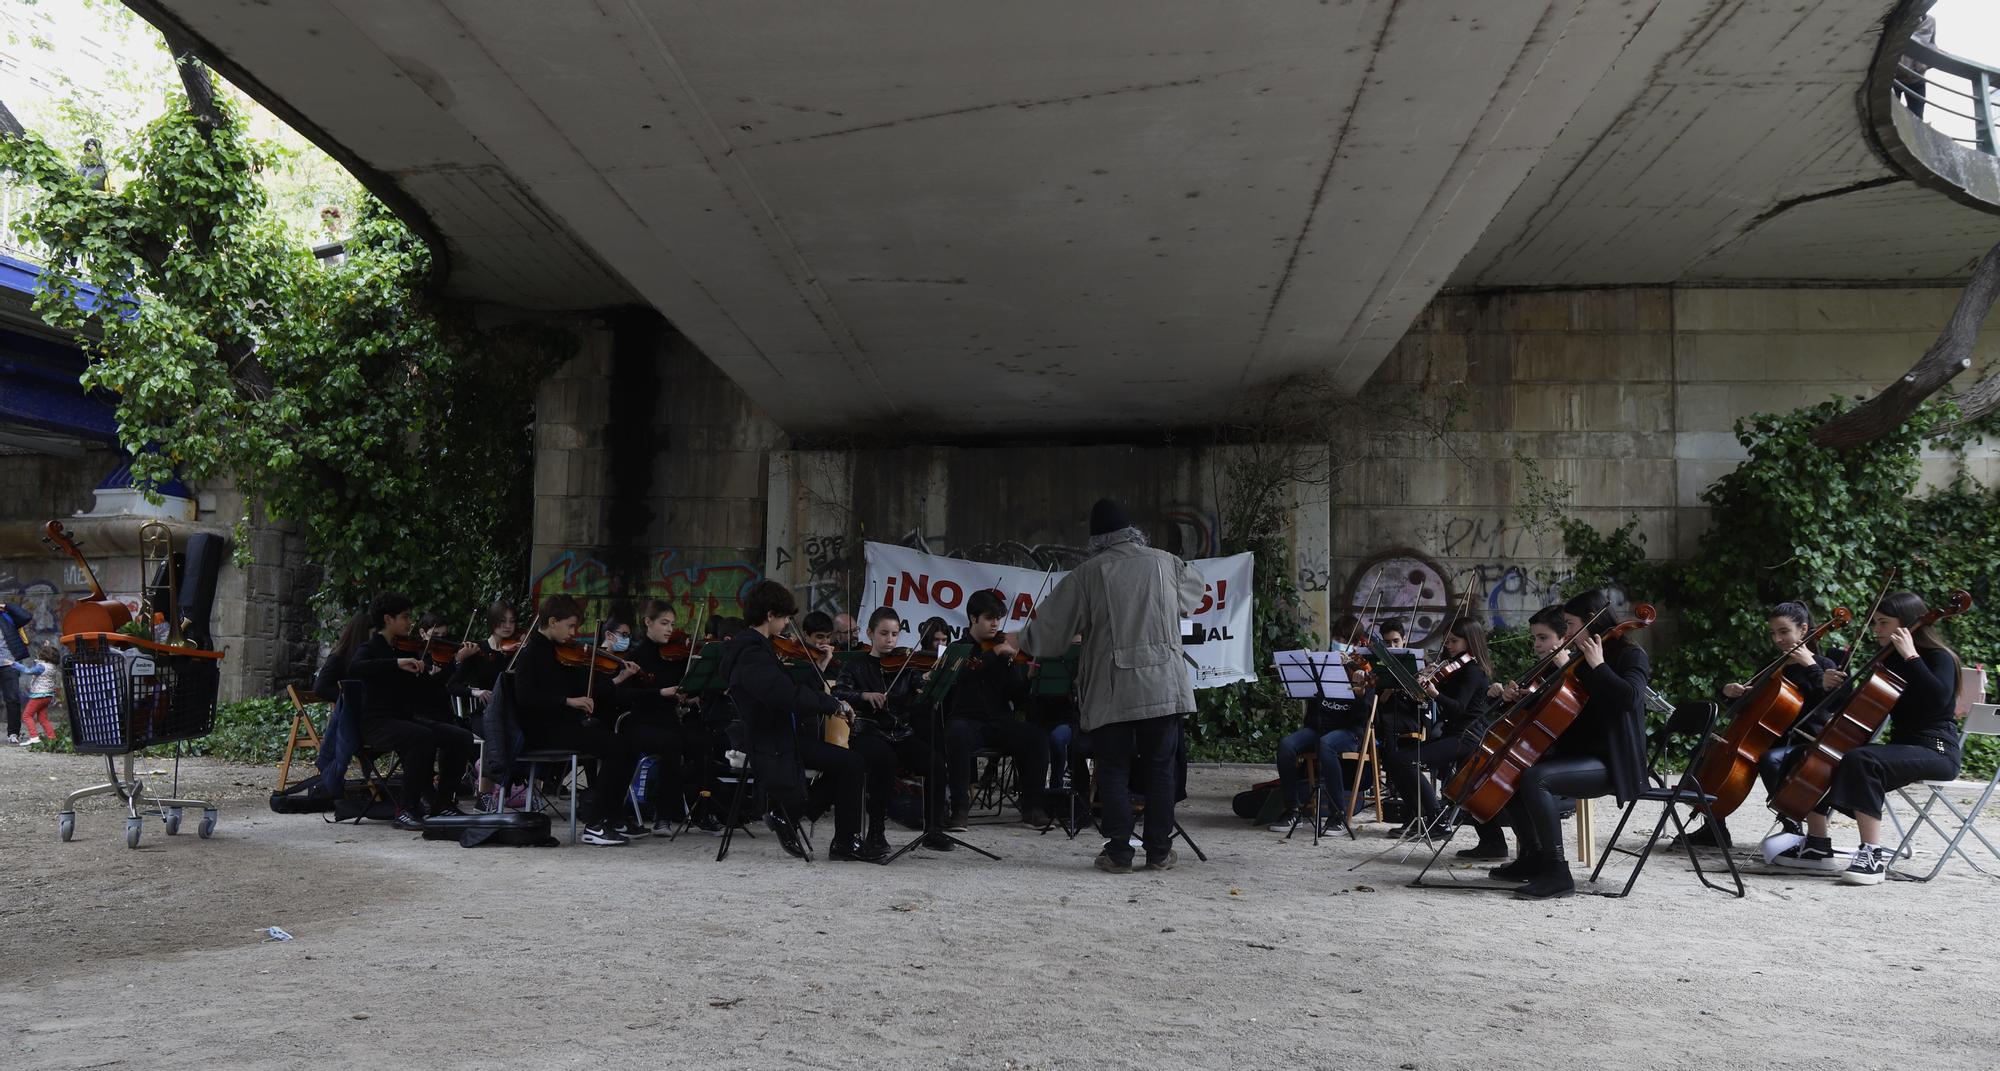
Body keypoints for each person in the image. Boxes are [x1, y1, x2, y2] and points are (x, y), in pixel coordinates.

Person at [1013, 498, 1205, 873]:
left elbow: (1051, 633)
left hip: (1114, 687)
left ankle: (1119, 852)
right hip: (1163, 685)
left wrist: (1019, 640)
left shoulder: (1088, 573)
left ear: (1096, 541)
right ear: (1134, 533)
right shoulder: (1166, 562)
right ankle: (1159, 852)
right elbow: (1192, 598)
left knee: (1113, 767)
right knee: (1160, 768)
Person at [1763, 592, 1961, 885]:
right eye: (1876, 623)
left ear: (1907, 625)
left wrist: (1911, 656)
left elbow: (1941, 700)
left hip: (1937, 749)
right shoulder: (1890, 660)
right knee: (1809, 753)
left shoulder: (1937, 657)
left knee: (1862, 760)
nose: (1876, 629)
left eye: (1883, 623)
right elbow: (1864, 706)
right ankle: (1818, 846)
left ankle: (1872, 855)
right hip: (1901, 748)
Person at [1485, 590, 1648, 901]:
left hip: (1613, 762)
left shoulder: (1629, 654)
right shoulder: (1576, 660)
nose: (1568, 632)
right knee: (1512, 769)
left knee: (1537, 778)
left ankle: (1557, 872)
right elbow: (1557, 706)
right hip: (1580, 754)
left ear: (1591, 621)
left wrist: (1599, 666)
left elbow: (1630, 698)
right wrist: (1518, 698)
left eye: (1571, 624)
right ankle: (1533, 856)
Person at [719, 580, 881, 862]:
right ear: (770, 615)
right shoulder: (752, 653)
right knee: (851, 763)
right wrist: (831, 704)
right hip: (770, 740)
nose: (785, 624)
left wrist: (819, 677)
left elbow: (785, 684)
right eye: (783, 617)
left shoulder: (756, 647)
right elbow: (783, 694)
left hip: (777, 734)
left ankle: (793, 817)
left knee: (849, 763)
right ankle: (835, 838)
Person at [1675, 601, 1833, 850]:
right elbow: (1752, 706)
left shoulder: (1823, 666)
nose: (1778, 639)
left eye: (1784, 631)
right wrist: (1732, 693)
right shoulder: (1773, 667)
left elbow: (1828, 705)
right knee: (1705, 752)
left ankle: (1791, 825)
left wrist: (1809, 667)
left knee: (1771, 760)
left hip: (1801, 739)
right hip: (1765, 737)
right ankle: (1714, 827)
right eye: (1773, 633)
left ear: (1803, 630)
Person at [508, 594, 643, 845]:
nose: (574, 632)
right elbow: (525, 697)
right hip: (542, 730)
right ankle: (594, 823)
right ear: (552, 621)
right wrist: (568, 702)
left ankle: (612, 817)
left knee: (628, 745)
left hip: (562, 725)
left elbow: (583, 685)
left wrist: (615, 680)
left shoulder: (558, 652)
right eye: (570, 626)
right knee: (616, 746)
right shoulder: (531, 653)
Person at [344, 593, 478, 829]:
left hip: (404, 719)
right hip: (376, 724)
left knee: (461, 737)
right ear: (388, 619)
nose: (410, 622)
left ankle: (443, 803)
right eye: (405, 617)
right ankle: (406, 808)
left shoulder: (408, 650)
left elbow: (431, 689)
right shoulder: (372, 647)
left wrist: (455, 663)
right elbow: (355, 668)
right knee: (420, 736)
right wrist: (396, 664)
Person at [835, 607, 951, 852]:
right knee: (884, 760)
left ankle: (933, 829)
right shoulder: (855, 665)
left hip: (900, 733)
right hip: (867, 732)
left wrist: (927, 686)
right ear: (870, 633)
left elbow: (920, 690)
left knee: (935, 763)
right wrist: (865, 695)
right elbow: (840, 693)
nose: (890, 640)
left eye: (895, 634)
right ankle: (876, 832)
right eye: (884, 633)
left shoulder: (906, 666)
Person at [941, 589, 1050, 830]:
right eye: (989, 618)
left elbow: (1016, 696)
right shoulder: (958, 649)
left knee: (1037, 738)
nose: (995, 624)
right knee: (956, 733)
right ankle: (960, 809)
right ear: (973, 618)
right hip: (967, 720)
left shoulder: (1003, 651)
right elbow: (963, 676)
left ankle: (1032, 807)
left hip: (999, 722)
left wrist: (1030, 679)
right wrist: (992, 655)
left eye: (998, 618)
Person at [1379, 619, 1492, 841]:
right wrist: (1423, 680)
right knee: (1393, 759)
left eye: (1454, 641)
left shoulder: (1473, 671)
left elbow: (1459, 707)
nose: (1448, 645)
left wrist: (1436, 694)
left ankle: (1438, 819)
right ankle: (1418, 816)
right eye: (1447, 641)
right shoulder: (1454, 669)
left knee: (1406, 760)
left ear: (1470, 642)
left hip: (1467, 737)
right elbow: (1426, 696)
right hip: (1452, 733)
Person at [1268, 614, 1369, 832]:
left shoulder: (1364, 669)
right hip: (1319, 727)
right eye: (1337, 638)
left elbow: (1367, 713)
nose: (1339, 643)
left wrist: (1361, 691)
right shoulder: (1324, 664)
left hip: (1349, 732)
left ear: (1358, 643)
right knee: (1287, 745)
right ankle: (1293, 809)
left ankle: (1338, 815)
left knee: (1327, 745)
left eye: (1345, 639)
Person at [17, 642, 60, 745]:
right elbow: (43, 660)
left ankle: (34, 737)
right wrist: (46, 647)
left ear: (43, 656)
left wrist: (16, 665)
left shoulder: (41, 667)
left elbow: (28, 671)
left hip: (39, 695)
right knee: (42, 718)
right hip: (48, 696)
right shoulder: (52, 666)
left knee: (27, 715)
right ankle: (52, 737)